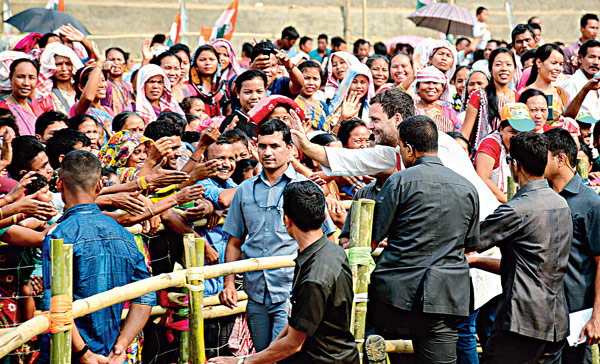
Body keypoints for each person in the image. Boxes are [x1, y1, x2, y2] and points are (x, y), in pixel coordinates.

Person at [369, 116, 480, 364]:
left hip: (396, 294)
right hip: (445, 296)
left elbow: (372, 240)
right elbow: (469, 244)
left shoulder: (399, 181)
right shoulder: (467, 187)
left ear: (409, 149)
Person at [210, 180, 358, 364]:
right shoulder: (330, 251)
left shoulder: (314, 277)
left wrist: (241, 362)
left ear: (286, 220)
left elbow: (293, 344)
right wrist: (265, 353)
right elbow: (297, 320)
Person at [218, 120, 335, 352]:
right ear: (255, 147)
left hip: (293, 291)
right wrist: (229, 283)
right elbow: (234, 242)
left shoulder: (304, 187)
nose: (267, 152)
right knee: (262, 353)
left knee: (282, 354)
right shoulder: (244, 189)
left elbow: (327, 239)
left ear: (291, 149)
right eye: (262, 146)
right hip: (256, 292)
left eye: (275, 146)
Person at [38, 150, 155, 364]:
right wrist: (121, 346)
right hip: (108, 352)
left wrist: (84, 353)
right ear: (100, 186)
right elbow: (145, 296)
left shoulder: (58, 234)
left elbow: (53, 302)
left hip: (65, 353)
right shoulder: (125, 235)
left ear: (59, 185)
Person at [477, 132, 571, 363]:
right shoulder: (562, 204)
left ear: (515, 165)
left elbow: (474, 240)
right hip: (556, 319)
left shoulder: (516, 209)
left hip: (522, 321)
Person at [543, 128, 600, 363]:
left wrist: (597, 316)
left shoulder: (590, 203)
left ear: (561, 159)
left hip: (579, 318)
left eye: (542, 155)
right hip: (546, 317)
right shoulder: (541, 198)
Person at [474, 102, 535, 203]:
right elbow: (482, 177)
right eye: (513, 132)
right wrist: (508, 201)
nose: (518, 138)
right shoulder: (490, 144)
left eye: (522, 132)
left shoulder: (526, 144)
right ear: (501, 129)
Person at [461, 48, 516, 148]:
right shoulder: (479, 96)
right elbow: (465, 135)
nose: (504, 68)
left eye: (508, 64)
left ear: (514, 69)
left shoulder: (519, 98)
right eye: (498, 64)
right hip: (482, 157)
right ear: (490, 69)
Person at [519, 44, 569, 120]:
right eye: (553, 63)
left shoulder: (562, 94)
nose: (558, 68)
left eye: (561, 64)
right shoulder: (522, 93)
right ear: (539, 62)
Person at [32, 42, 83, 116]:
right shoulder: (44, 96)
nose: (64, 69)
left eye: (68, 64)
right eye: (59, 64)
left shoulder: (81, 90)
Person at [218, 69, 267, 137]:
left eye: (259, 92)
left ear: (265, 91)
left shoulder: (270, 118)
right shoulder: (231, 122)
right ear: (238, 93)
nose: (254, 97)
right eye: (248, 92)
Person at [562, 40, 600, 121]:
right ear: (580, 58)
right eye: (592, 57)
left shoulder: (597, 82)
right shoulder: (571, 83)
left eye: (599, 58)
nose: (596, 62)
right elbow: (565, 117)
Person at [327, 63, 374, 128]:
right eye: (354, 82)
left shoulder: (372, 107)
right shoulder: (336, 105)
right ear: (348, 83)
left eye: (363, 82)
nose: (359, 86)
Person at [188, 45, 229, 117]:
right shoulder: (187, 87)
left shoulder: (225, 87)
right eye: (202, 60)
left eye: (212, 59)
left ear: (218, 62)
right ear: (195, 63)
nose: (207, 63)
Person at [413, 66, 458, 132]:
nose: (431, 87)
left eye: (435, 83)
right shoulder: (411, 110)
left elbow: (458, 133)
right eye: (427, 82)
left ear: (442, 88)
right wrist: (424, 121)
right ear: (417, 87)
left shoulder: (449, 112)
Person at [1, 59, 39, 136]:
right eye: (21, 77)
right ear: (11, 79)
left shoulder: (32, 107)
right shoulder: (2, 108)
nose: (26, 83)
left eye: (31, 78)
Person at [295, 61, 330, 132]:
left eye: (315, 79)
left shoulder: (323, 106)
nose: (311, 83)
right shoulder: (292, 103)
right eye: (306, 78)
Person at [101, 47, 134, 114]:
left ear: (125, 64)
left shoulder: (129, 85)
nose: (116, 63)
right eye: (112, 60)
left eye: (119, 59)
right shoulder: (103, 84)